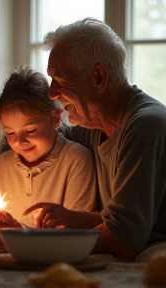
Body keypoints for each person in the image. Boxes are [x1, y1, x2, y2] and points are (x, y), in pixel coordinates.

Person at [23, 17, 166, 261]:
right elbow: (120, 220)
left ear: (99, 77)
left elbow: (123, 239)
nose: (52, 93)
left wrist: (35, 244)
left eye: (61, 79)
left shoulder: (145, 126)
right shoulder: (90, 124)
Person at [0, 66, 98, 245]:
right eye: (10, 133)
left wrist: (21, 234)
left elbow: (76, 234)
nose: (20, 142)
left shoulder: (76, 160)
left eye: (30, 130)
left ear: (55, 119)